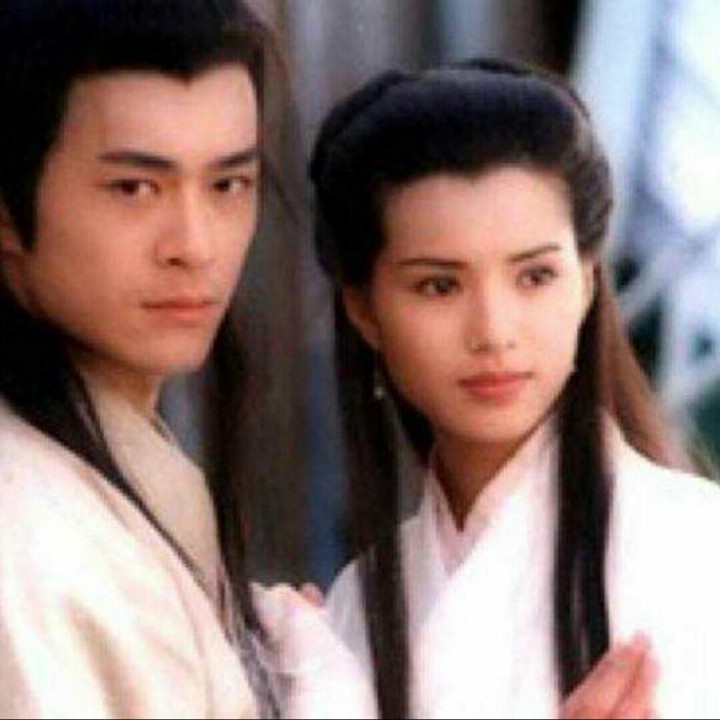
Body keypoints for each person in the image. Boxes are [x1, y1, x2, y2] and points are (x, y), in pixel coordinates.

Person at [310, 57, 720, 718]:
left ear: (586, 281)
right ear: (363, 309)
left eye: (535, 277)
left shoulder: (698, 548)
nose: (494, 332)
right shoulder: (354, 609)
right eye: (439, 286)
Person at [0, 2, 370, 717]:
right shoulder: (26, 527)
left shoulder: (107, 474)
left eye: (227, 185)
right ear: (8, 212)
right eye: (135, 188)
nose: (195, 246)